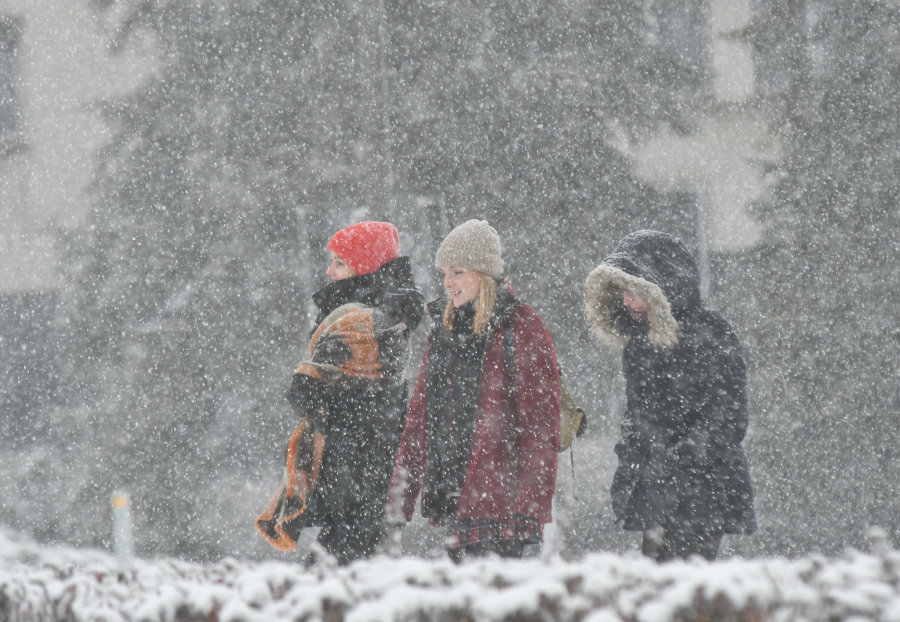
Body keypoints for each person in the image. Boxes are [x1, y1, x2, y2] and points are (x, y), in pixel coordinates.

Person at [387, 219, 561, 562]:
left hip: (505, 515)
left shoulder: (521, 325)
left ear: (483, 273)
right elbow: (417, 422)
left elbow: (541, 426)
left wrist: (530, 512)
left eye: (457, 271)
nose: (447, 282)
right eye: (444, 273)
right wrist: (397, 506)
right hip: (455, 508)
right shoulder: (444, 331)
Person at [256, 221, 424, 565]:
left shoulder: (359, 322)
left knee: (337, 576)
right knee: (353, 568)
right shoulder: (387, 319)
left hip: (351, 473)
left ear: (363, 268)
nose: (329, 270)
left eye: (339, 263)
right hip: (366, 473)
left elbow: (306, 393)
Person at [583, 230, 756, 562]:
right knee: (660, 588)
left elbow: (728, 417)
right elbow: (638, 414)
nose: (627, 302)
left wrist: (678, 462)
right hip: (660, 492)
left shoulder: (709, 332)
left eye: (636, 292)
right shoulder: (640, 341)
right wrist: (632, 455)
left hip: (701, 494)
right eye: (622, 292)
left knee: (680, 590)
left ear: (662, 289)